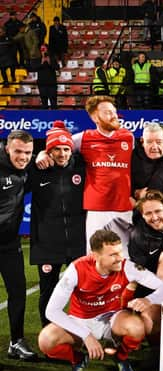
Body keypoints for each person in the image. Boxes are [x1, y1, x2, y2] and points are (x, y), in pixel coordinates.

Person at [37, 230, 163, 371]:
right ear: (95, 255)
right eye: (112, 255)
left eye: (120, 252)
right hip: (80, 321)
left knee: (137, 327)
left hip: (112, 318)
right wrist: (86, 336)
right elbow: (51, 311)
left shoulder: (127, 266)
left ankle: (121, 358)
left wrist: (148, 299)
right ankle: (78, 360)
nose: (119, 258)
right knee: (46, 341)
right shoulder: (76, 269)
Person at [36, 95, 135, 250]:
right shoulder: (83, 138)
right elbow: (59, 145)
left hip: (124, 208)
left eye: (114, 112)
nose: (114, 116)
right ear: (95, 117)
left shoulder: (128, 137)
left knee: (124, 258)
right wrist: (43, 153)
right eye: (108, 112)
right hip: (96, 209)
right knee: (95, 256)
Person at [30, 122, 85, 327]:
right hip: (47, 244)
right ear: (49, 150)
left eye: (66, 149)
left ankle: (83, 332)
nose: (62, 154)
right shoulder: (36, 169)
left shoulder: (82, 166)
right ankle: (49, 334)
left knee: (83, 291)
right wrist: (37, 154)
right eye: (56, 149)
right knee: (49, 291)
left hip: (78, 242)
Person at [1, 130, 37, 361]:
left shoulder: (24, 172)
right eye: (18, 152)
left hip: (9, 243)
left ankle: (16, 342)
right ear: (6, 148)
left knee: (17, 292)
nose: (23, 157)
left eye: (28, 153)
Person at [132, 122, 163, 200]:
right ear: (142, 141)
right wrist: (134, 193)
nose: (154, 147)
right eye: (149, 142)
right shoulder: (130, 158)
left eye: (159, 142)